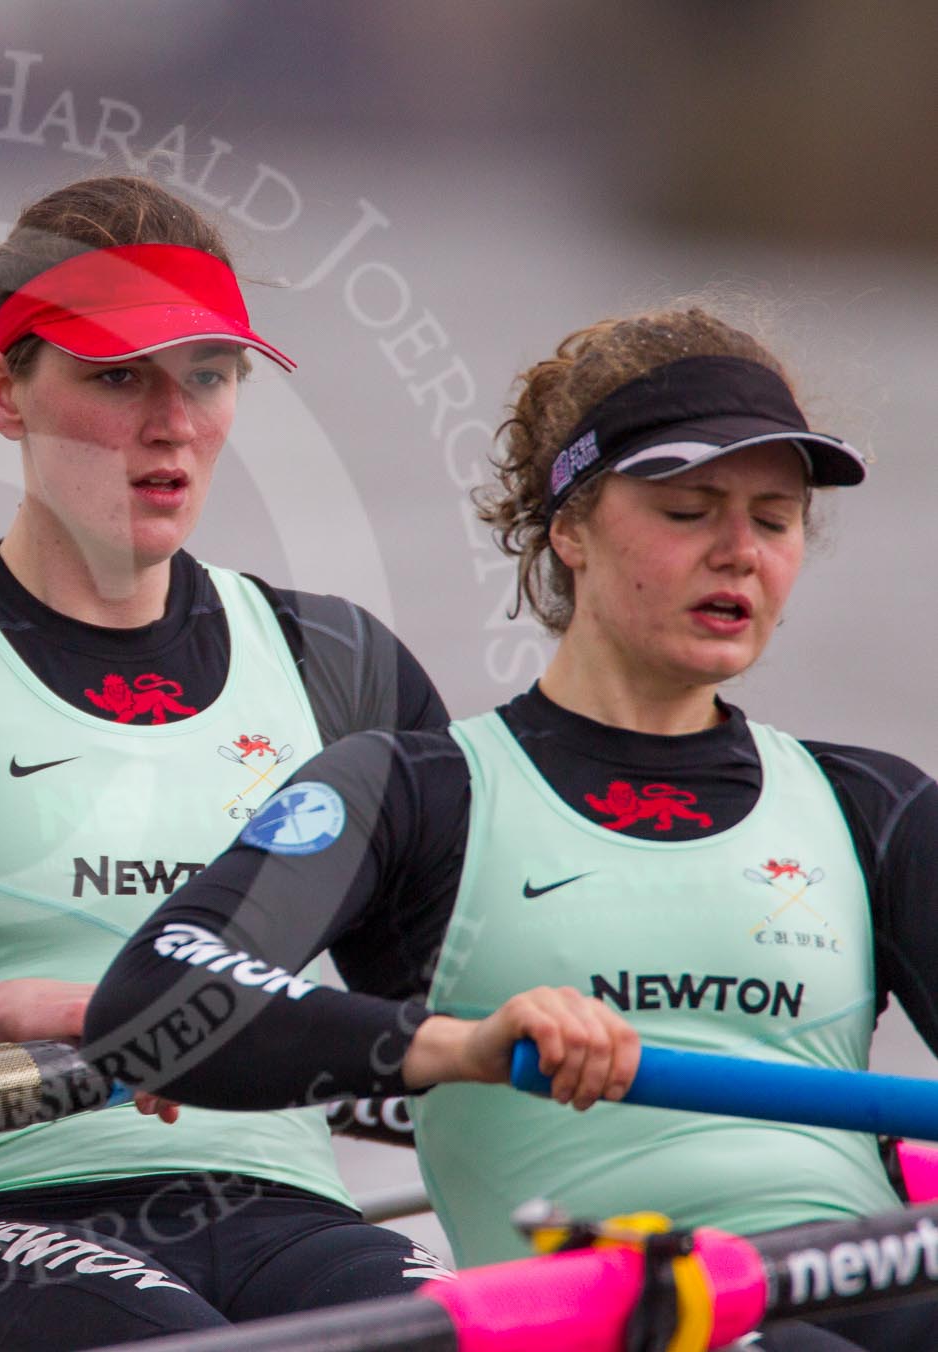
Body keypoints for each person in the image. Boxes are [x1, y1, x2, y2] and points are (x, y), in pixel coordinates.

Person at [86, 306, 938, 1350]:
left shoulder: (875, 808)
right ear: (569, 527)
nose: (739, 551)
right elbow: (152, 999)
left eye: (774, 516)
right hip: (621, 1315)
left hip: (877, 1279)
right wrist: (465, 1045)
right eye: (688, 508)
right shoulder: (422, 791)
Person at [0, 176, 451, 1349]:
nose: (173, 421)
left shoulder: (343, 667)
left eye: (209, 373)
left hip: (297, 1216)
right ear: (2, 390)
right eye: (120, 377)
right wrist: (48, 1009)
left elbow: (429, 1021)